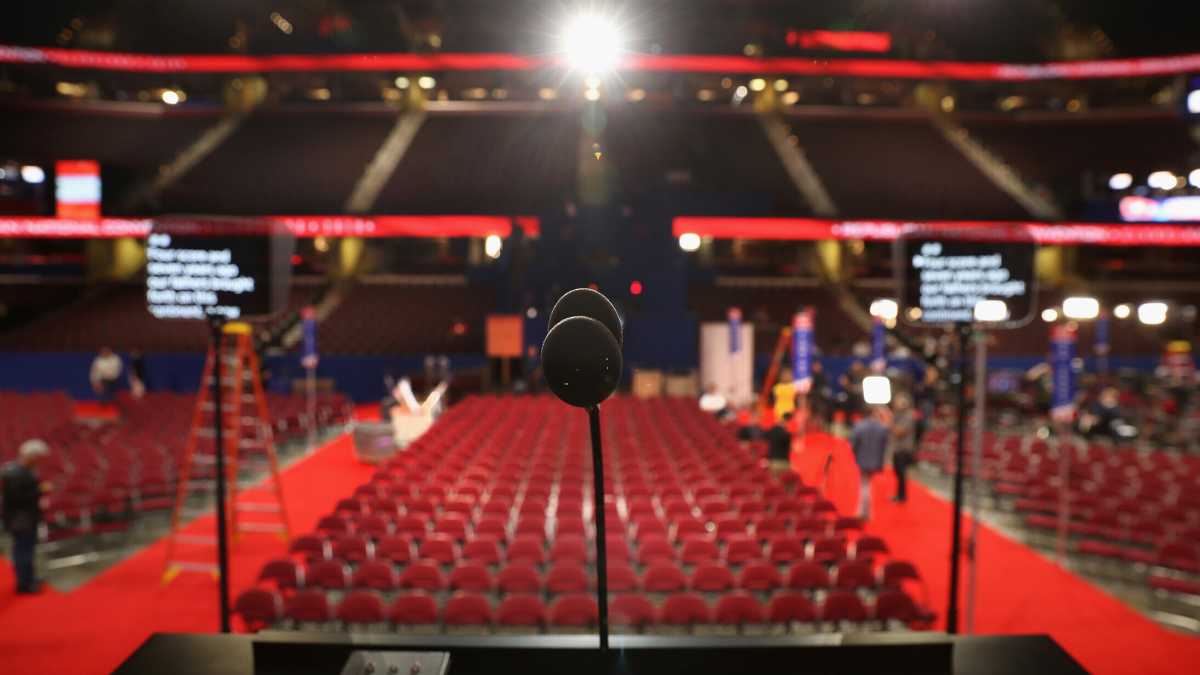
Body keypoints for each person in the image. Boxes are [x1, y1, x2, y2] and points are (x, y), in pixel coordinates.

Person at [3, 439, 49, 594]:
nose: (39, 463)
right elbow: (16, 498)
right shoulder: (15, 473)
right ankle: (24, 585)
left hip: (25, 517)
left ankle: (28, 579)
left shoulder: (21, 470)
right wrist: (40, 491)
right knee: (23, 551)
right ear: (31, 456)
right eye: (38, 459)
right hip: (21, 519)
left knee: (27, 550)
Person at [850, 406, 891, 520]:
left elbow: (854, 443)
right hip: (875, 460)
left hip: (862, 459)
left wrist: (856, 454)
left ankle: (864, 511)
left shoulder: (859, 425)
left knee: (864, 485)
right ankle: (865, 511)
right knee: (866, 484)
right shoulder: (881, 428)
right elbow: (884, 445)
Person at [890, 394, 917, 503]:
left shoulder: (908, 416)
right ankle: (899, 495)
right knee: (897, 473)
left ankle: (902, 496)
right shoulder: (898, 416)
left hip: (904, 449)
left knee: (901, 474)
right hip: (897, 449)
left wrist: (890, 424)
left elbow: (899, 432)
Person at [765, 412, 794, 479]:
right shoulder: (786, 434)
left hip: (773, 461)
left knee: (775, 484)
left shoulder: (772, 430)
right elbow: (791, 448)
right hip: (784, 462)